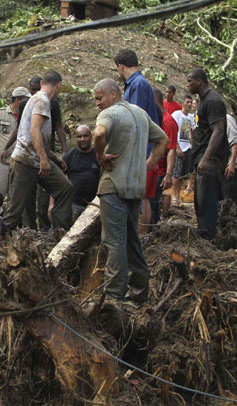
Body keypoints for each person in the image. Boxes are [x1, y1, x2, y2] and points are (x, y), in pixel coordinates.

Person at [93, 78, 168, 303]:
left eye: (99, 98)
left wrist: (100, 157)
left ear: (113, 95)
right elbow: (163, 140)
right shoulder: (140, 114)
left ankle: (114, 296)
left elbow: (98, 134)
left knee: (114, 240)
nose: (97, 103)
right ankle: (139, 289)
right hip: (136, 187)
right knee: (132, 239)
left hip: (113, 186)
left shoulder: (111, 113)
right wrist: (145, 166)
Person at [2, 70, 74, 231]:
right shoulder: (42, 101)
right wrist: (43, 159)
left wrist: (55, 158)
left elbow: (37, 137)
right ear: (58, 86)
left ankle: (60, 232)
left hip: (37, 159)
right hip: (25, 161)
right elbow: (34, 131)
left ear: (42, 84)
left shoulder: (39, 99)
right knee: (14, 211)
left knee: (65, 188)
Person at [114, 49, 160, 233]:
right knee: (144, 196)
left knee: (140, 197)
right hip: (144, 148)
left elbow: (136, 118)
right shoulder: (137, 84)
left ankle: (140, 237)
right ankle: (143, 237)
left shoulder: (138, 85)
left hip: (142, 149)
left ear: (121, 66)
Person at [186, 68, 229, 240]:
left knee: (207, 201)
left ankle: (208, 238)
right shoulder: (202, 101)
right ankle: (205, 233)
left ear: (200, 81)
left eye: (190, 81)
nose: (187, 85)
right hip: (201, 158)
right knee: (200, 201)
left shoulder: (213, 100)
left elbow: (218, 131)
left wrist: (206, 158)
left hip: (209, 160)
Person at [0, 87, 31, 195]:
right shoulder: (0, 114)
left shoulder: (28, 117)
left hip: (19, 163)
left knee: (14, 195)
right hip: (2, 162)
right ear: (17, 101)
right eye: (26, 100)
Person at [150, 89, 177, 224]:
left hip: (160, 171)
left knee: (153, 203)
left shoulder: (168, 122)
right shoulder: (156, 119)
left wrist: (168, 174)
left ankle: (152, 229)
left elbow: (172, 149)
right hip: (152, 167)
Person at [62, 125, 100, 217]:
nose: (82, 139)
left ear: (91, 137)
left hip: (95, 205)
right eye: (79, 136)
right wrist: (52, 205)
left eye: (85, 136)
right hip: (74, 204)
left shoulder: (98, 156)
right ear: (76, 139)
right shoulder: (68, 157)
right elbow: (58, 181)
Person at [171, 95, 195, 205]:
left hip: (187, 147)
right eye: (188, 102)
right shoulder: (177, 115)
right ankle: (173, 195)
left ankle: (178, 195)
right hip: (178, 147)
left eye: (191, 102)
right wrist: (177, 147)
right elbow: (173, 132)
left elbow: (190, 130)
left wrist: (191, 141)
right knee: (176, 173)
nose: (190, 104)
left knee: (182, 174)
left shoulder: (190, 117)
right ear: (183, 103)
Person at [222, 114, 237, 201]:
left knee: (229, 200)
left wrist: (232, 163)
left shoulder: (227, 119)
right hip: (217, 166)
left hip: (228, 166)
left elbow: (235, 140)